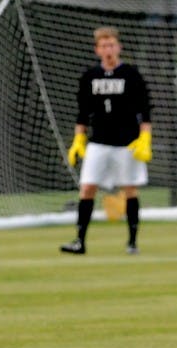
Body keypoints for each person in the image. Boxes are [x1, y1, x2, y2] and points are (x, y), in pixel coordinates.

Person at [61, 26, 153, 255]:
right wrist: (78, 139)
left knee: (129, 189)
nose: (108, 50)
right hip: (99, 142)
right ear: (97, 50)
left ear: (118, 47)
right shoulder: (90, 77)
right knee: (87, 187)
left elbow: (145, 110)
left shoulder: (131, 75)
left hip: (126, 143)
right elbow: (83, 112)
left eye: (111, 45)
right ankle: (80, 240)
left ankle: (132, 242)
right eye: (103, 46)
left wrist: (145, 138)